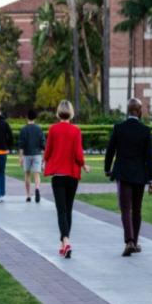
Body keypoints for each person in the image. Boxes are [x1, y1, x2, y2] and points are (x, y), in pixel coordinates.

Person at [105, 98, 152, 257]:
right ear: (139, 112)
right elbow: (149, 157)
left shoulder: (119, 128)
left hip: (123, 173)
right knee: (137, 209)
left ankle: (129, 242)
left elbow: (110, 150)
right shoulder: (145, 130)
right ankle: (134, 241)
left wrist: (108, 169)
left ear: (128, 111)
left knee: (125, 209)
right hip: (140, 175)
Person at [44, 99, 88, 258]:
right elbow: (78, 154)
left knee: (61, 210)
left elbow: (48, 151)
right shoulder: (76, 131)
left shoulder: (53, 129)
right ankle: (64, 242)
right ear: (71, 112)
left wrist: (45, 160)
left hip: (58, 176)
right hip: (72, 175)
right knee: (68, 209)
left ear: (58, 112)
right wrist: (83, 165)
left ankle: (66, 240)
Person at [17, 109, 45, 203]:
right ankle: (37, 188)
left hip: (27, 154)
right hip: (37, 154)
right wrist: (44, 157)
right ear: (35, 118)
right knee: (37, 174)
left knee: (27, 175)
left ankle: (28, 195)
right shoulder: (39, 129)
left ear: (27, 117)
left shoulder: (23, 129)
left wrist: (20, 157)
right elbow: (43, 144)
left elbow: (21, 145)